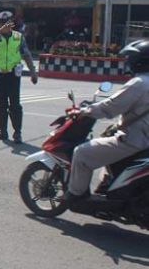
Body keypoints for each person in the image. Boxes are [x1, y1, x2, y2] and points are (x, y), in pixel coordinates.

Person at [64, 40, 149, 204]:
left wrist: (84, 111)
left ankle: (76, 196)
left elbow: (110, 107)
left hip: (135, 140)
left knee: (81, 153)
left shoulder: (140, 83)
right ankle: (106, 185)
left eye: (131, 59)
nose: (128, 62)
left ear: (140, 61)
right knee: (107, 136)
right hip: (144, 140)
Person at [0, 11, 38, 144]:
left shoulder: (18, 37)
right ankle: (3, 132)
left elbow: (26, 55)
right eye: (1, 23)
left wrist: (33, 72)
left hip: (13, 75)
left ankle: (17, 133)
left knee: (15, 105)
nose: (4, 25)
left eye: (6, 22)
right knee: (0, 104)